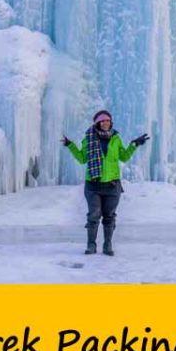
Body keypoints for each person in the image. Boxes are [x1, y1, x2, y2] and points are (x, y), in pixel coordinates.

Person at [61, 110, 149, 256]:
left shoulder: (116, 139)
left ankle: (107, 244)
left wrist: (134, 144)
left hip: (112, 186)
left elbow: (124, 157)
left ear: (111, 122)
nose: (105, 123)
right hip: (93, 185)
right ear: (97, 123)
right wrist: (70, 145)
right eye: (102, 121)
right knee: (94, 215)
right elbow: (82, 158)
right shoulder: (88, 139)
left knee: (109, 216)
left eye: (107, 120)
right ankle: (91, 245)